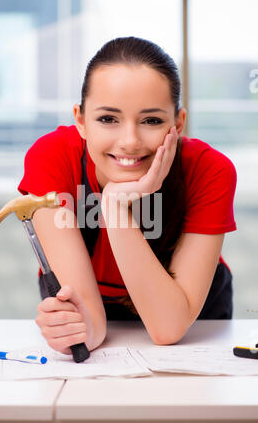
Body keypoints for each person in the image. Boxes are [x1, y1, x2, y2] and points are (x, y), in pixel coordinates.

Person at [18, 36, 237, 355]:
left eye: (151, 120)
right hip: (92, 298)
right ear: (80, 120)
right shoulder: (51, 159)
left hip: (187, 313)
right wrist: (79, 330)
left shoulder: (209, 171)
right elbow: (89, 323)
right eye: (108, 119)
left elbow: (168, 328)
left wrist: (115, 206)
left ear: (178, 123)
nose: (130, 141)